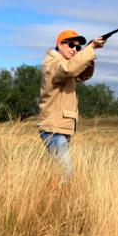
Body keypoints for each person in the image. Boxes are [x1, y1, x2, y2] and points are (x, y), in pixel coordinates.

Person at [38, 29, 105, 174]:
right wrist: (90, 48)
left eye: (78, 47)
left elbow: (81, 76)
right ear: (59, 44)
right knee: (67, 173)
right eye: (71, 45)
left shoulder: (64, 63)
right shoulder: (52, 63)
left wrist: (89, 59)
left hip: (61, 126)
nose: (74, 49)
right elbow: (69, 70)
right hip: (53, 128)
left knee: (59, 172)